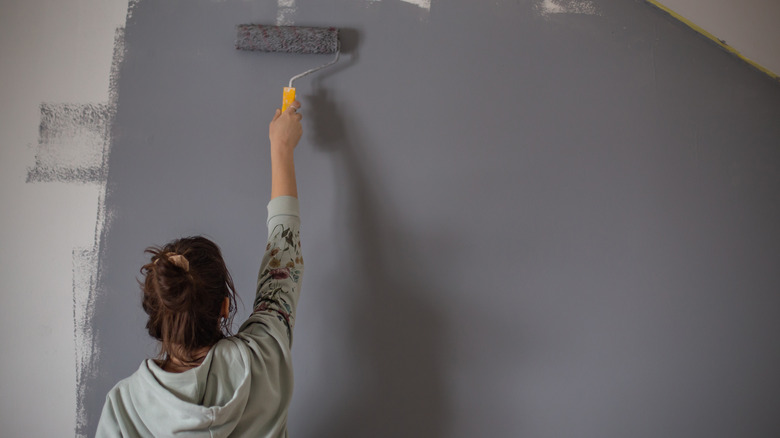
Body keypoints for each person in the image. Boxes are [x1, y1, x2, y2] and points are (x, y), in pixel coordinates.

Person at [96, 101, 305, 437]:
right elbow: (283, 262)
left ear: (155, 312)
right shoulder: (262, 357)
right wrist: (281, 147)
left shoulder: (124, 407)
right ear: (224, 307)